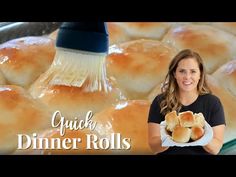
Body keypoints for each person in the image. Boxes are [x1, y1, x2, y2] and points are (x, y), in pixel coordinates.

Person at [147, 49, 225, 155]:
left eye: (193, 71)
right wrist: (169, 138)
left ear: (200, 74)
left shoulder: (212, 103)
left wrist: (201, 136)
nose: (187, 77)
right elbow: (154, 146)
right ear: (174, 73)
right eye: (182, 71)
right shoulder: (160, 102)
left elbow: (215, 149)